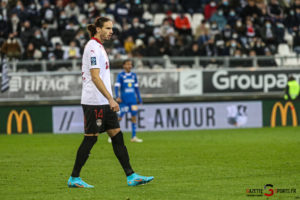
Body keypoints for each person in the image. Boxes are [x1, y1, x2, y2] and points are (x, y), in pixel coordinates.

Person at [67, 17, 154, 188]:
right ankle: (74, 178)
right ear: (98, 29)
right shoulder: (92, 48)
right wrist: (110, 98)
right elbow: (94, 77)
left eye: (111, 28)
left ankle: (131, 176)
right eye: (107, 28)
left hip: (103, 102)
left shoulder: (99, 47)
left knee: (117, 136)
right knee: (90, 139)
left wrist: (108, 100)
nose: (111, 31)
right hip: (94, 102)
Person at [112, 59, 143, 143]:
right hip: (124, 101)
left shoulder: (133, 75)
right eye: (128, 64)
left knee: (134, 117)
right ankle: (112, 135)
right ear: (124, 65)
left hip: (132, 101)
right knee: (119, 118)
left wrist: (139, 98)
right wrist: (117, 96)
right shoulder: (121, 75)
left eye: (130, 64)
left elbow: (136, 88)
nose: (130, 66)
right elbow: (116, 87)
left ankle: (133, 137)